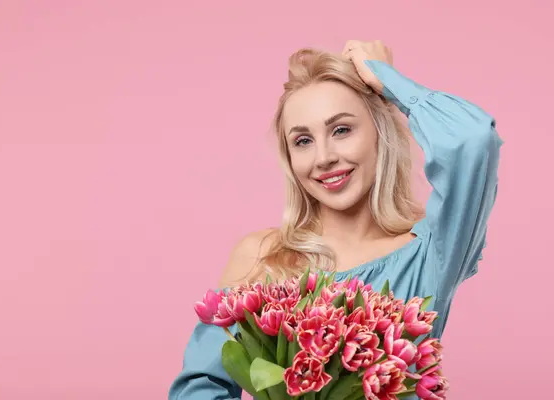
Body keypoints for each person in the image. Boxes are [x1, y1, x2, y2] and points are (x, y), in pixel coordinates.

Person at [168, 40, 502, 399]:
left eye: (341, 130)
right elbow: (199, 387)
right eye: (303, 141)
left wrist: (388, 83)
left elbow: (473, 140)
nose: (324, 157)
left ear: (379, 134)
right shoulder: (261, 257)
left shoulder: (432, 254)